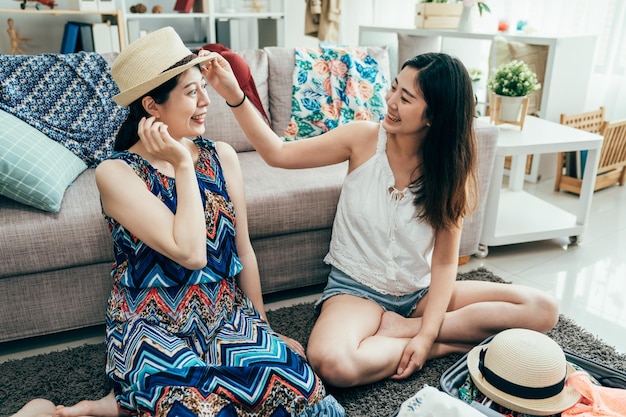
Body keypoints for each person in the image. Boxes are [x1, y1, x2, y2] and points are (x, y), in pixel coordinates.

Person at [11, 27, 344, 417]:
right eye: (191, 92)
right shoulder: (117, 173)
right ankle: (89, 408)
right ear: (152, 106)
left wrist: (263, 329)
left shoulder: (222, 155)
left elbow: (243, 250)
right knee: (191, 409)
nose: (206, 101)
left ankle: (118, 406)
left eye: (204, 87)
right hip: (150, 320)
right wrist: (184, 165)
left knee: (300, 391)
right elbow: (191, 253)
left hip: (224, 313)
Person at [205, 50, 560, 388]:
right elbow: (277, 153)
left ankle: (410, 332)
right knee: (332, 363)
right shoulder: (361, 139)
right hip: (356, 290)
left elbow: (445, 262)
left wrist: (421, 332)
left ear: (434, 115)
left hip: (419, 293)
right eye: (394, 87)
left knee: (542, 309)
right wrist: (235, 95)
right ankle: (451, 345)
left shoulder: (451, 172)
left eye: (406, 98)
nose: (390, 101)